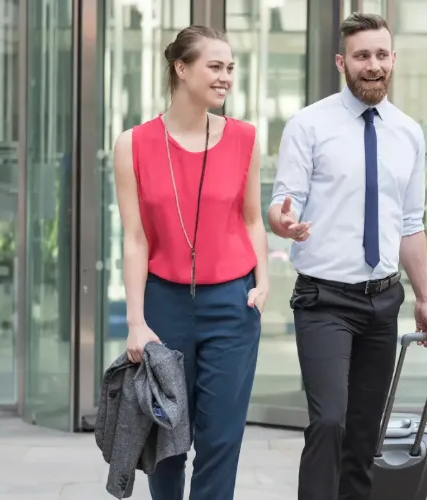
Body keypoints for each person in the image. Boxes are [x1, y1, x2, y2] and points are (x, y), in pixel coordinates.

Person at [269, 13, 427, 500]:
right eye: (362, 56)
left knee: (365, 433)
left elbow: (411, 224)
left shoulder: (408, 132)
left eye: (381, 55)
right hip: (324, 300)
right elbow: (285, 201)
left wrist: (424, 299)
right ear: (342, 62)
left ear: (393, 59)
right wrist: (284, 221)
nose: (373, 66)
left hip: (383, 302)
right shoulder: (309, 124)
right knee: (328, 422)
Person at [111, 25, 268, 500]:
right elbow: (135, 240)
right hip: (164, 304)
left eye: (230, 69)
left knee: (221, 440)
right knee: (167, 438)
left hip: (232, 304)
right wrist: (136, 321)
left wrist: (263, 282)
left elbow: (253, 219)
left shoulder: (245, 138)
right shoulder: (132, 144)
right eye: (214, 67)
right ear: (181, 68)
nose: (225, 78)